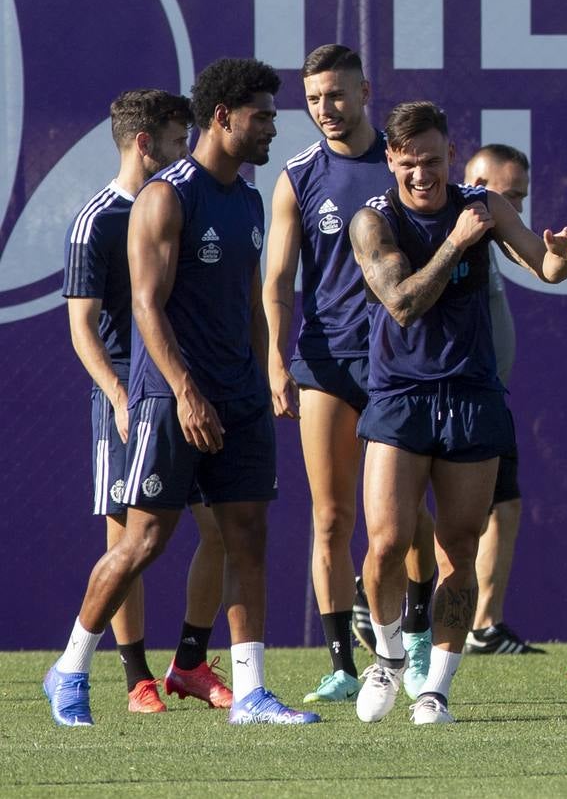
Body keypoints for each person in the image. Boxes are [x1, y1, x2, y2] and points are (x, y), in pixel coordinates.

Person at [44, 57, 319, 727]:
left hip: (239, 398)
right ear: (222, 117)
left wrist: (264, 375)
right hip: (171, 400)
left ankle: (250, 693)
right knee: (143, 542)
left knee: (246, 534)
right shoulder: (168, 195)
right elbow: (145, 307)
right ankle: (70, 666)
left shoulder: (250, 199)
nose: (271, 131)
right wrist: (186, 392)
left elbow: (254, 304)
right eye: (261, 117)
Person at [349, 101, 567, 725]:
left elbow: (547, 265)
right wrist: (455, 243)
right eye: (406, 164)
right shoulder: (373, 222)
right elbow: (400, 302)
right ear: (390, 163)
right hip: (399, 396)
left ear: (452, 155)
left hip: (473, 398)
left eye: (430, 160)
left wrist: (558, 256)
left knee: (459, 547)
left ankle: (437, 689)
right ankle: (391, 660)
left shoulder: (484, 206)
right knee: (386, 543)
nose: (420, 175)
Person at [263, 44, 437, 703]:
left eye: (336, 95)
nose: (325, 109)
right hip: (326, 361)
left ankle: (415, 641)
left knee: (405, 518)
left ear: (366, 92)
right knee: (332, 518)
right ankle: (341, 664)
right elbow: (278, 281)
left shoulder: (401, 166)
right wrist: (278, 360)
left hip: (402, 364)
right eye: (312, 99)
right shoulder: (298, 176)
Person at [61, 88, 230, 715]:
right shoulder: (98, 220)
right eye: (178, 141)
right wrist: (118, 396)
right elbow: (83, 329)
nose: (187, 152)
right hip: (130, 392)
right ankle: (135, 678)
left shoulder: (186, 203)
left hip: (186, 386)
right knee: (127, 541)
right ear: (144, 143)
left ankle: (188, 663)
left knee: (218, 530)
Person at [460, 144, 543, 655]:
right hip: (451, 397)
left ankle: (485, 627)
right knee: (433, 518)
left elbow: (541, 263)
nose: (515, 207)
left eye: (521, 198)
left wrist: (552, 255)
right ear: (475, 183)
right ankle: (371, 594)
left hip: (490, 395)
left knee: (503, 507)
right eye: (507, 196)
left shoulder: (493, 237)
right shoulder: (449, 229)